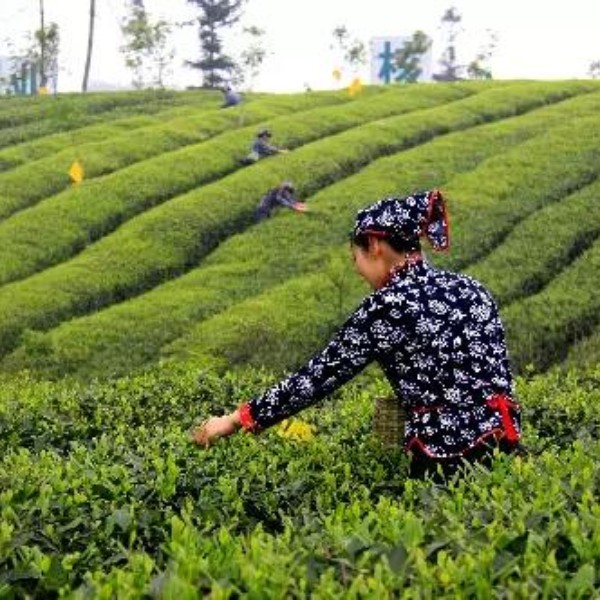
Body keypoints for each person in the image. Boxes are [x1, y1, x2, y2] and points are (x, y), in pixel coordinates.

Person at [192, 190, 522, 480]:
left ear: (375, 246)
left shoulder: (388, 305)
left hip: (445, 459)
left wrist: (234, 420)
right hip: (505, 443)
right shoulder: (472, 289)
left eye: (356, 258)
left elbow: (317, 378)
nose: (358, 270)